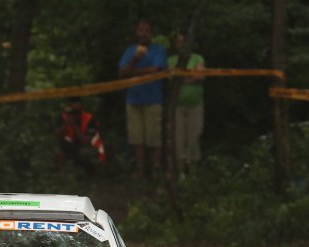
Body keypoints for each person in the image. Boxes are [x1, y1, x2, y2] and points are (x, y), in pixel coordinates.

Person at [118, 20, 168, 180]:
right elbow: (122, 73)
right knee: (136, 137)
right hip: (133, 99)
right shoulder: (130, 51)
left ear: (151, 33)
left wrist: (133, 71)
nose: (143, 33)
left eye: (146, 30)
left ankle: (156, 169)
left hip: (153, 98)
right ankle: (140, 169)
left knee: (154, 137)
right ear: (136, 32)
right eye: (140, 30)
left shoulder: (159, 50)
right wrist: (134, 59)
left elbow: (156, 70)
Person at [168, 32, 205, 178]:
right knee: (178, 138)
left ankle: (193, 170)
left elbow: (200, 76)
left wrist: (182, 77)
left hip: (195, 104)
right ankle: (181, 170)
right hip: (177, 105)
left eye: (184, 41)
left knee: (194, 137)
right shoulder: (171, 60)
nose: (182, 44)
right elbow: (172, 78)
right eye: (179, 41)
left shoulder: (198, 58)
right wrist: (191, 75)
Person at [55, 97, 106, 176]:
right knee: (60, 152)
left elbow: (86, 141)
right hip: (71, 145)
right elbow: (56, 134)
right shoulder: (65, 117)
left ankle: (90, 172)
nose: (74, 115)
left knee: (84, 153)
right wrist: (66, 123)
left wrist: (74, 125)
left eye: (76, 112)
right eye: (72, 112)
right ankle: (62, 176)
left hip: (89, 147)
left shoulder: (89, 118)